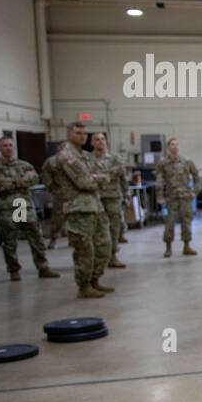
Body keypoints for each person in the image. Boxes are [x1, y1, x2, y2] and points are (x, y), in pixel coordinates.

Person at [54, 121, 113, 298]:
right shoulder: (67, 156)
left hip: (95, 205)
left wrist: (96, 177)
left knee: (104, 245)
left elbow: (101, 176)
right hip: (78, 208)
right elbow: (84, 182)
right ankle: (84, 285)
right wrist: (98, 178)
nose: (82, 136)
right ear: (69, 134)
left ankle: (95, 279)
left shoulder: (84, 155)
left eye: (84, 133)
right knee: (85, 249)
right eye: (78, 133)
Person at [0, 136, 59, 281]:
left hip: (23, 204)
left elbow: (34, 179)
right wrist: (22, 180)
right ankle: (14, 270)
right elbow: (0, 184)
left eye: (10, 145)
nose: (8, 148)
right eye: (4, 145)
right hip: (8, 207)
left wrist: (14, 181)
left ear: (13, 147)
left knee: (36, 237)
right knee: (10, 241)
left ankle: (43, 267)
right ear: (0, 148)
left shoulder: (24, 164)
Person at [155, 137, 200, 258]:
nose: (175, 147)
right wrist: (160, 197)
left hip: (185, 197)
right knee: (169, 223)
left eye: (177, 145)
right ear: (168, 147)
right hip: (171, 198)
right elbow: (159, 181)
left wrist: (194, 192)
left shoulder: (186, 162)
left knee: (187, 222)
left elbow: (197, 177)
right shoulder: (163, 163)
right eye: (172, 145)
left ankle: (187, 246)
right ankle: (168, 247)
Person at [89, 132, 127, 270]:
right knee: (96, 228)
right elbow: (86, 175)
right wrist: (109, 175)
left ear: (106, 141)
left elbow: (121, 170)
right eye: (97, 139)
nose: (100, 142)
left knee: (114, 227)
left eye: (102, 139)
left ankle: (112, 256)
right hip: (95, 197)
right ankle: (97, 257)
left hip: (112, 197)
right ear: (92, 142)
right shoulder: (87, 158)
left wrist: (99, 176)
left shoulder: (115, 157)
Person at [39, 151, 68, 249]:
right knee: (57, 218)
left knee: (76, 217)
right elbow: (46, 175)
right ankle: (54, 238)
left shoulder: (78, 158)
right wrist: (51, 189)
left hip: (76, 193)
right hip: (60, 193)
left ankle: (74, 239)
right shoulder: (52, 161)